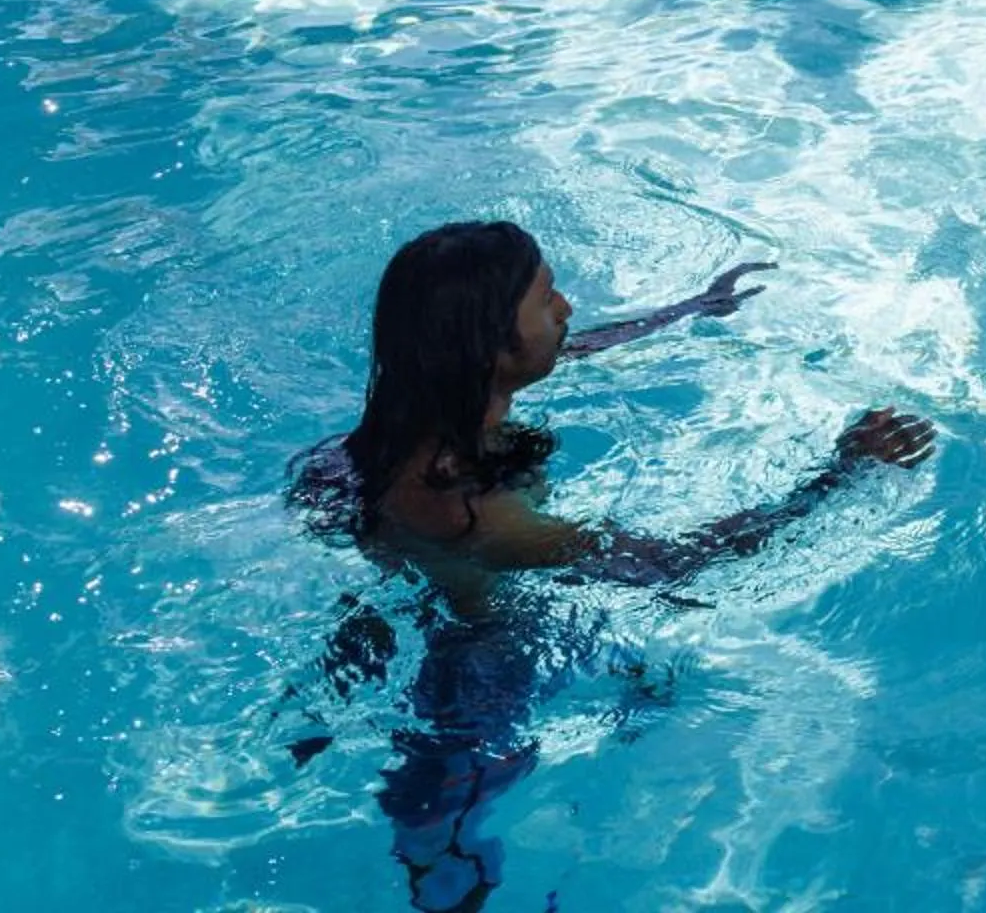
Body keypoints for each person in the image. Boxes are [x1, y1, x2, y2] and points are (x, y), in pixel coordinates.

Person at [290, 223, 937, 911]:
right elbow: (668, 564)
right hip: (476, 671)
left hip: (420, 602)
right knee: (445, 841)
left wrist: (692, 310)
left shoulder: (432, 406)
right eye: (547, 298)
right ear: (491, 345)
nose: (567, 308)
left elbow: (582, 345)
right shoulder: (468, 512)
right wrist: (837, 477)